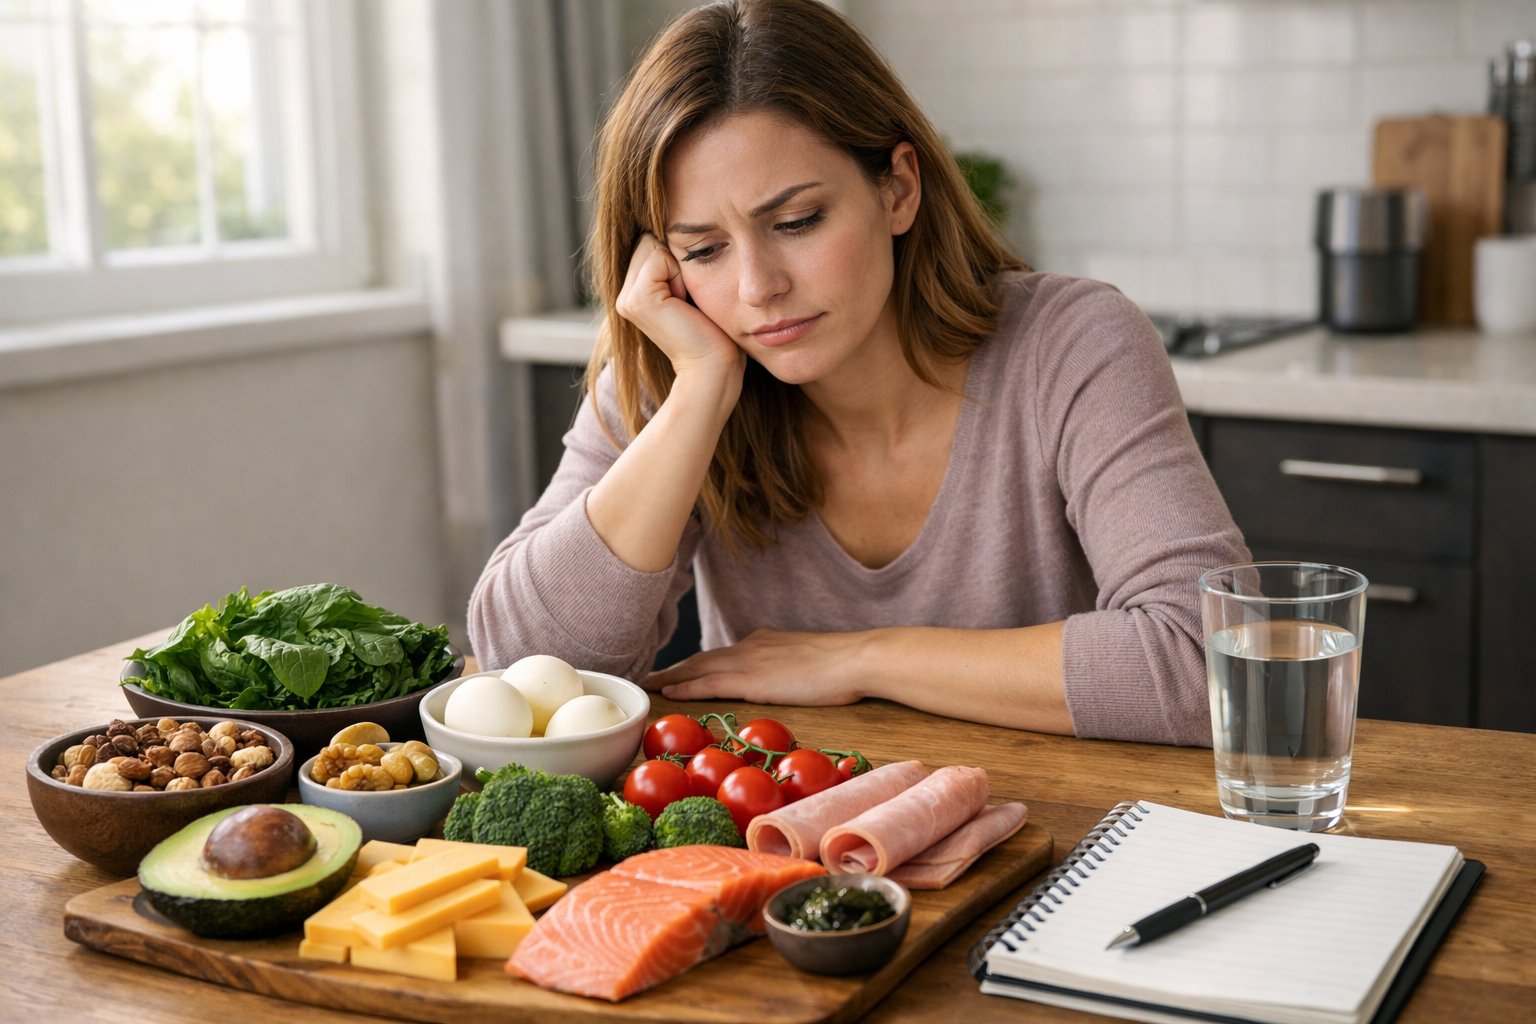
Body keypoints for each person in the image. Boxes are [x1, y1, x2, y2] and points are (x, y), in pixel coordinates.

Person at [468, 0, 1249, 745]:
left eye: (798, 221)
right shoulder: (682, 365)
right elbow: (520, 673)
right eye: (704, 249)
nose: (756, 288)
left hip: (1063, 834)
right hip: (783, 841)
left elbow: (1210, 660)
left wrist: (860, 657)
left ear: (898, 188)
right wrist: (701, 391)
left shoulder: (1072, 344)